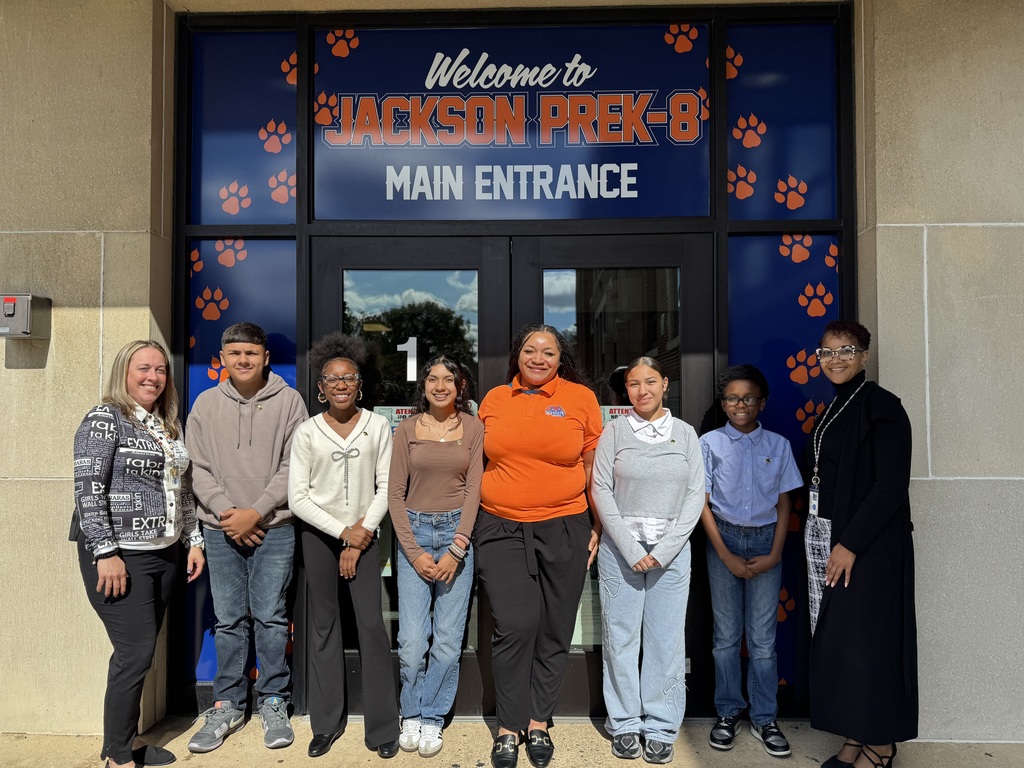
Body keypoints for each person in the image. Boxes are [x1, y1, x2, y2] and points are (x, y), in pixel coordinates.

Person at [71, 340, 205, 768]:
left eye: (161, 370)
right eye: (143, 368)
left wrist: (193, 540)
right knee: (136, 653)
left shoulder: (166, 426)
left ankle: (123, 742)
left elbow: (181, 490)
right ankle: (116, 757)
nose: (153, 377)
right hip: (120, 556)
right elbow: (88, 489)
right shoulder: (104, 419)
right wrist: (105, 552)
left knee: (136, 655)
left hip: (163, 553)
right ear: (123, 373)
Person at [475, 323, 603, 768]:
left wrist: (598, 524)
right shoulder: (493, 399)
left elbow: (593, 466)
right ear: (518, 355)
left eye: (548, 352)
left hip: (566, 525)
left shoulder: (580, 399)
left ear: (560, 358)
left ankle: (539, 722)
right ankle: (508, 727)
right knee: (515, 624)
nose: (538, 359)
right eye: (530, 350)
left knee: (554, 625)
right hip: (500, 527)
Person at [185, 322, 308, 753]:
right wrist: (226, 512)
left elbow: (296, 465)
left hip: (274, 527)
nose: (243, 360)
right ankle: (228, 704)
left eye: (251, 353)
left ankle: (274, 699)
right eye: (234, 353)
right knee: (229, 619)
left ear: (265, 357)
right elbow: (196, 467)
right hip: (220, 530)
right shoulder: (204, 404)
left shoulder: (290, 402)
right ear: (222, 358)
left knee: (272, 616)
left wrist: (255, 512)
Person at [804, 320, 917, 768]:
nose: (836, 360)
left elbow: (890, 486)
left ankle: (881, 746)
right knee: (844, 645)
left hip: (868, 550)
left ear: (865, 355)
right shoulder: (836, 407)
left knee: (870, 645)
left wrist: (850, 544)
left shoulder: (883, 407)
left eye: (846, 350)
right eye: (827, 353)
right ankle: (855, 735)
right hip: (831, 542)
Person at [287, 331, 401, 759]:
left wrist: (361, 534)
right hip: (320, 537)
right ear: (321, 387)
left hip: (366, 535)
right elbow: (298, 497)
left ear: (359, 384)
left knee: (371, 626)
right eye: (331, 379)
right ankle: (326, 723)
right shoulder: (307, 432)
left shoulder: (377, 426)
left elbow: (388, 485)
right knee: (322, 627)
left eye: (348, 378)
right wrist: (342, 533)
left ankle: (383, 728)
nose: (340, 385)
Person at [590, 357, 705, 765]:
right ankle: (623, 723)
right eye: (634, 384)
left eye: (650, 382)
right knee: (620, 638)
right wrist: (632, 548)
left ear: (665, 384)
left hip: (671, 555)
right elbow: (600, 489)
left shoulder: (686, 434)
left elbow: (696, 495)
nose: (642, 390)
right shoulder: (615, 431)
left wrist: (664, 550)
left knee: (666, 642)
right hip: (621, 553)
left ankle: (660, 726)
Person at [699, 364, 803, 758]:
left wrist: (775, 552)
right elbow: (702, 504)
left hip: (765, 540)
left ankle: (764, 717)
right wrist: (724, 553)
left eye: (748, 398)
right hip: (722, 537)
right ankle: (728, 712)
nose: (739, 405)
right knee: (725, 637)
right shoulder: (709, 443)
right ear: (723, 403)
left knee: (762, 640)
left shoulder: (777, 445)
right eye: (731, 398)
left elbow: (784, 501)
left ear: (762, 402)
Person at [388, 355, 484, 758]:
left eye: (449, 379)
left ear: (460, 386)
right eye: (433, 378)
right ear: (423, 384)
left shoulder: (474, 428)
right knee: (412, 640)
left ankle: (431, 717)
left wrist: (457, 548)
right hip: (413, 531)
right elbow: (394, 494)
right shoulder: (407, 430)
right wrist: (413, 552)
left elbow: (474, 490)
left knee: (447, 639)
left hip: (454, 535)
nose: (440, 385)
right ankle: (409, 711)